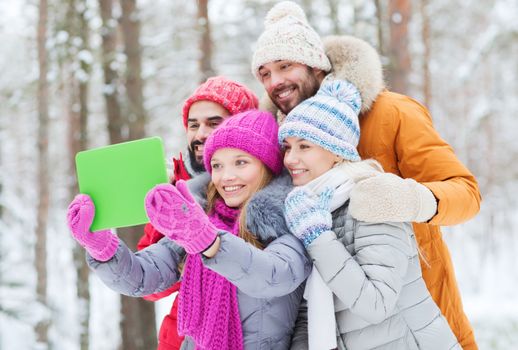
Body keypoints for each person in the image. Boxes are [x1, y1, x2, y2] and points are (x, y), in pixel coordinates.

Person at [251, 2, 481, 348]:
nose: (276, 82)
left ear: (317, 66)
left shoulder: (391, 112)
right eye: (265, 73)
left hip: (417, 310)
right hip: (338, 326)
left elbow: (466, 194)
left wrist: (411, 199)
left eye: (286, 66)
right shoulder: (281, 138)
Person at [66, 110, 311, 349]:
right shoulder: (199, 217)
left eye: (240, 162)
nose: (226, 176)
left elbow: (275, 276)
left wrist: (209, 242)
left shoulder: (289, 221)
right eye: (217, 165)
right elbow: (145, 275)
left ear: (268, 166)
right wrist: (103, 247)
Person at [279, 78, 461, 349]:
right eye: (288, 146)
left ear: (337, 152)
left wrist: (317, 237)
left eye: (304, 146)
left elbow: (376, 303)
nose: (290, 159)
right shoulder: (311, 208)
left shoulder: (372, 197)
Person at [136, 76, 259, 349]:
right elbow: (154, 288)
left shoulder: (260, 191)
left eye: (214, 123)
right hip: (181, 338)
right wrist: (165, 211)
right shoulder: (178, 183)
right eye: (193, 125)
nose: (200, 134)